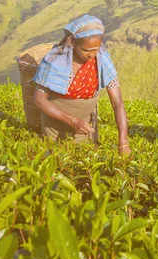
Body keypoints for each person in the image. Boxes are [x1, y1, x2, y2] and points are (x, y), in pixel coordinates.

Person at [32, 14, 131, 155]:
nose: (91, 55)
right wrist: (72, 121)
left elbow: (117, 103)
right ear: (72, 42)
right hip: (54, 127)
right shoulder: (55, 61)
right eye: (86, 50)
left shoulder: (102, 60)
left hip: (84, 128)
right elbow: (39, 100)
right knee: (54, 161)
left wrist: (123, 142)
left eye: (96, 49)